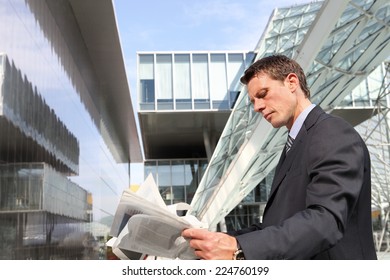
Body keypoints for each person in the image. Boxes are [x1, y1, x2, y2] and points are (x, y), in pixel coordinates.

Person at [182, 54, 377, 260]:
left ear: (292, 82)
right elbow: (276, 225)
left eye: (263, 94)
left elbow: (325, 221)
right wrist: (215, 241)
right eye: (253, 101)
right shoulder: (295, 145)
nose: (257, 106)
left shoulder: (331, 132)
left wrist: (240, 248)